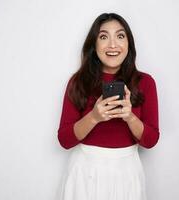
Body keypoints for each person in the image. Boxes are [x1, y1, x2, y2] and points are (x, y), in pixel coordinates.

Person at [56, 12, 160, 200]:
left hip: (127, 173)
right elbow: (64, 140)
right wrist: (94, 117)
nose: (113, 44)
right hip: (84, 173)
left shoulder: (145, 82)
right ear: (94, 45)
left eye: (120, 36)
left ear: (129, 43)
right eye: (104, 37)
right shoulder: (78, 82)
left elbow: (151, 140)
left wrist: (129, 117)